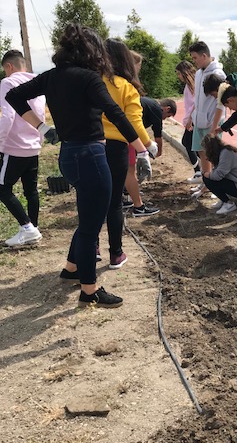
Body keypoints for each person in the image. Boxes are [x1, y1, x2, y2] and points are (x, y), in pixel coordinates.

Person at [6, 23, 151, 308]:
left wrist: (42, 128)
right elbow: (117, 115)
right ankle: (89, 290)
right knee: (90, 225)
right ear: (92, 51)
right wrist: (142, 149)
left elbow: (13, 96)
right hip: (92, 156)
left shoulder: (50, 77)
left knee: (87, 216)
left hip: (68, 155)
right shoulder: (89, 78)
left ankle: (72, 268)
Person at [100, 38, 159, 269]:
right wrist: (147, 144)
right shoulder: (125, 86)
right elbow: (134, 121)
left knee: (92, 202)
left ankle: (92, 249)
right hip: (116, 147)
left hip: (91, 145)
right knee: (114, 203)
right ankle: (116, 255)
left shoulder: (92, 81)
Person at [0, 50, 48, 247]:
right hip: (33, 144)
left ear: (9, 66)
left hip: (14, 146)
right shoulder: (37, 82)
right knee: (31, 189)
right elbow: (41, 115)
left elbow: (8, 116)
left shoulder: (8, 83)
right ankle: (33, 228)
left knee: (2, 188)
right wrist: (40, 138)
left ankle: (27, 228)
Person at [123, 96, 176, 217]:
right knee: (130, 171)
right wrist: (154, 150)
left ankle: (125, 192)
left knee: (123, 169)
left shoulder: (146, 104)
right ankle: (138, 207)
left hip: (118, 135)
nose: (165, 119)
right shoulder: (156, 109)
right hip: (126, 136)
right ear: (167, 109)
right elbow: (157, 135)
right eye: (167, 116)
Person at [188, 41, 226, 198]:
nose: (194, 61)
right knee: (202, 153)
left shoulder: (219, 74)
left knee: (214, 156)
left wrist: (214, 126)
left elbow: (221, 103)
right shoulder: (198, 73)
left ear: (204, 55)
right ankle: (206, 184)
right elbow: (197, 99)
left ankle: (217, 186)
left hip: (212, 122)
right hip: (199, 121)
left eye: (195, 57)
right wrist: (192, 117)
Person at [201, 135, 237, 215]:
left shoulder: (226, 153)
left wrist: (206, 174)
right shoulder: (220, 153)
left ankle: (229, 203)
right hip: (235, 183)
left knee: (208, 179)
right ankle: (223, 200)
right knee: (209, 178)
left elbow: (217, 175)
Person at [175, 60, 200, 183]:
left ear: (184, 72)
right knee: (190, 143)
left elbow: (196, 103)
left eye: (178, 74)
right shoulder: (190, 84)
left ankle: (200, 171)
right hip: (192, 118)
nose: (178, 77)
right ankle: (200, 171)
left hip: (194, 119)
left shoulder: (194, 84)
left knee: (189, 143)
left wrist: (190, 118)